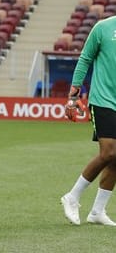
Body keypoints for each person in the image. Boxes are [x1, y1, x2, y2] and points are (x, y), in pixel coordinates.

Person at [61, 14, 116, 226]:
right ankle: (72, 197)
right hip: (103, 99)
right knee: (109, 151)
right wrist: (73, 96)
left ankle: (97, 212)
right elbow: (85, 58)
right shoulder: (103, 27)